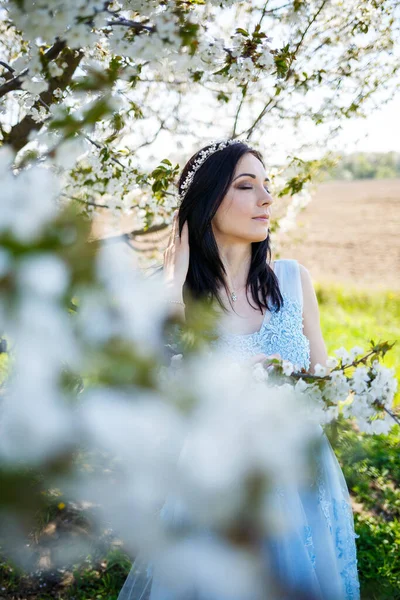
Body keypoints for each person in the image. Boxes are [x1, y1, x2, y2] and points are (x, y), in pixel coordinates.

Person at [117, 139, 360, 600]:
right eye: (247, 186)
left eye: (266, 185)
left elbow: (324, 384)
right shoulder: (171, 293)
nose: (267, 198)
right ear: (208, 202)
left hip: (297, 472)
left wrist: (287, 378)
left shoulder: (292, 279)